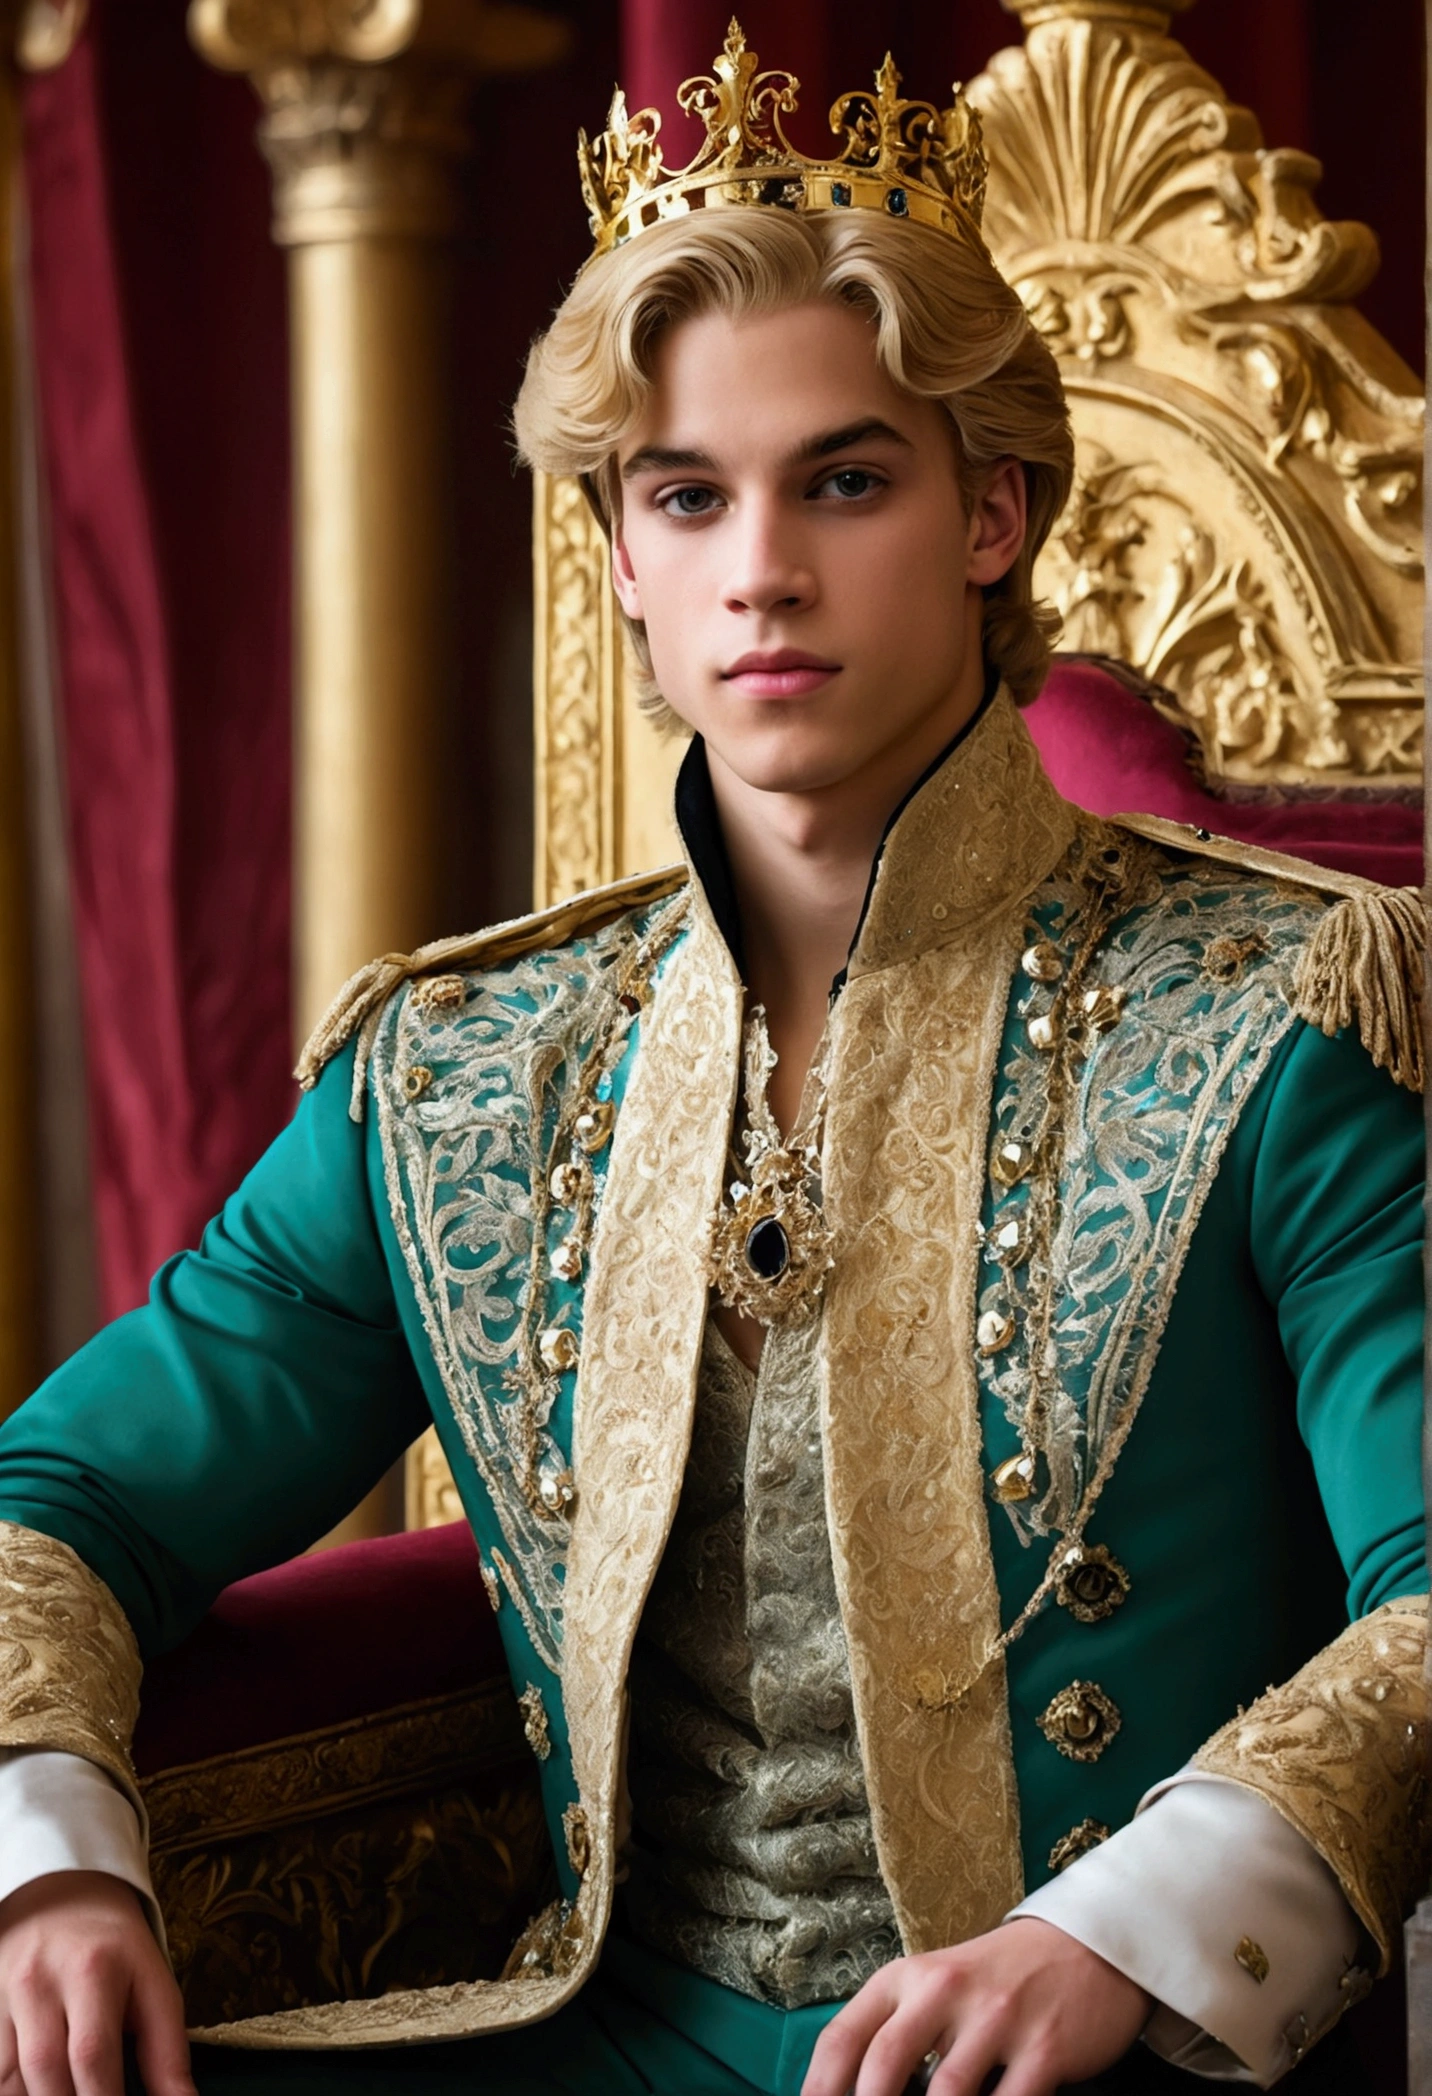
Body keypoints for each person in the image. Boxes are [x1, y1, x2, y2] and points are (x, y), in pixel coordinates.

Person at [0, 26, 1424, 2096]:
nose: (759, 563)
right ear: (619, 564)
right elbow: (58, 1493)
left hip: (1091, 2051)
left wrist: (1121, 1929)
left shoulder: (1282, 1018)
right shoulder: (460, 1073)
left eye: (841, 478)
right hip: (591, 2026)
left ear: (988, 514)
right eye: (686, 495)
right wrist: (51, 1864)